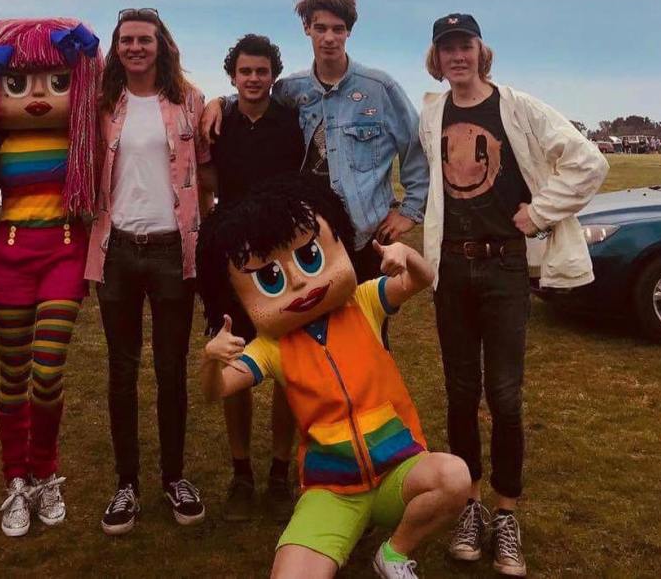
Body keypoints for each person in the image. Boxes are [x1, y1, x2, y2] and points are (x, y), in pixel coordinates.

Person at [198, 174, 470, 579]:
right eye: (270, 278)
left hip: (398, 472)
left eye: (309, 256)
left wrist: (407, 256)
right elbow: (216, 390)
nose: (298, 282)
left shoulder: (363, 302)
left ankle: (394, 553)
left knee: (453, 477)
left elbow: (422, 279)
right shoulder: (272, 346)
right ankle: (346, 530)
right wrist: (209, 360)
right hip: (332, 492)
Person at [420, 13, 608, 577]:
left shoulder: (518, 107)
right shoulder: (432, 113)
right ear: (437, 58)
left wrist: (541, 212)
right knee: (459, 394)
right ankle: (468, 506)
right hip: (451, 268)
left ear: (482, 52)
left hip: (503, 268)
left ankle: (506, 514)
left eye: (466, 46)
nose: (458, 56)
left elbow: (589, 161)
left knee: (504, 397)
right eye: (447, 48)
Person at [0, 18, 104, 536]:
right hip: (9, 259)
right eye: (18, 84)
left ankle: (45, 472)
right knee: (13, 376)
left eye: (58, 81)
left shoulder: (85, 138)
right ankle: (15, 480)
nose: (39, 95)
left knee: (47, 372)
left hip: (64, 255)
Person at [85, 7, 212, 535]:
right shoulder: (100, 103)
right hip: (116, 250)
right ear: (115, 49)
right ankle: (126, 484)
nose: (135, 48)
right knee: (121, 370)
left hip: (171, 251)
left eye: (144, 39)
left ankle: (174, 477)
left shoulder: (190, 101)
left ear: (162, 45)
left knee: (171, 369)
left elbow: (207, 167)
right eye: (126, 40)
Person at [202, 0, 429, 281]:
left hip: (367, 238)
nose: (329, 38)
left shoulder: (379, 88)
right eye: (320, 28)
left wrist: (409, 211)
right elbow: (256, 98)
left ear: (349, 31)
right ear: (307, 28)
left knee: (370, 311)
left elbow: (416, 148)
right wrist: (220, 102)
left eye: (338, 29)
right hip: (311, 239)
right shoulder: (293, 89)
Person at [199, 33, 304, 521]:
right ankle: (241, 474)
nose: (254, 79)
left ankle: (280, 473)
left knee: (289, 368)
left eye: (262, 71)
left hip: (284, 259)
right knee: (234, 361)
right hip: (233, 259)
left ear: (273, 75)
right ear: (233, 75)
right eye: (245, 72)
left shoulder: (292, 121)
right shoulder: (219, 123)